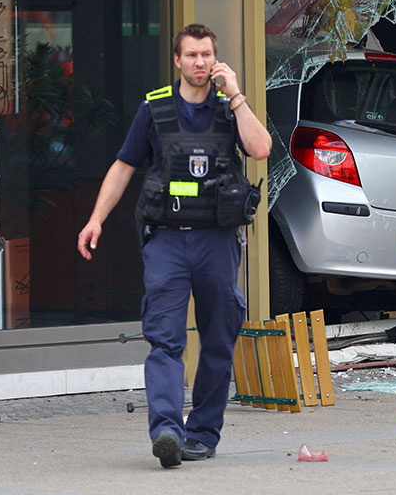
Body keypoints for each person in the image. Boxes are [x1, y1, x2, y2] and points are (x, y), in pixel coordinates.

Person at [76, 24, 272, 468]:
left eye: (207, 55)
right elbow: (124, 166)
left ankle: (202, 432)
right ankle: (166, 430)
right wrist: (95, 219)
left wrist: (237, 95)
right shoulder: (155, 109)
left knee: (219, 337)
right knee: (164, 339)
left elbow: (260, 149)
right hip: (167, 240)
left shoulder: (229, 108)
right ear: (177, 60)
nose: (200, 62)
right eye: (192, 55)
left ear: (215, 60)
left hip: (217, 241)